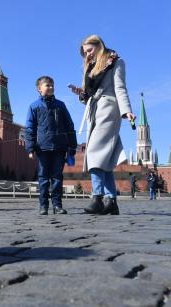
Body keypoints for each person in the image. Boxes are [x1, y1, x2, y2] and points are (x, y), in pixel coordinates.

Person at [70, 35, 136, 215]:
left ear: (99, 45)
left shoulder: (115, 62)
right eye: (85, 53)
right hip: (94, 110)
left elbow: (120, 88)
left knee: (94, 152)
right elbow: (88, 95)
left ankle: (97, 198)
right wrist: (81, 93)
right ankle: (111, 201)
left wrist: (126, 110)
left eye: (90, 50)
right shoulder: (90, 67)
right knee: (104, 158)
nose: (88, 55)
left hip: (109, 109)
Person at [25, 76, 77, 215]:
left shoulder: (60, 105)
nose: (51, 87)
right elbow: (30, 128)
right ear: (39, 88)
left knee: (57, 177)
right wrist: (30, 148)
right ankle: (43, 206)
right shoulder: (34, 106)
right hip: (42, 148)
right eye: (47, 85)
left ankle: (57, 205)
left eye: (52, 85)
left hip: (59, 147)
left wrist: (72, 146)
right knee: (43, 178)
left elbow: (69, 125)